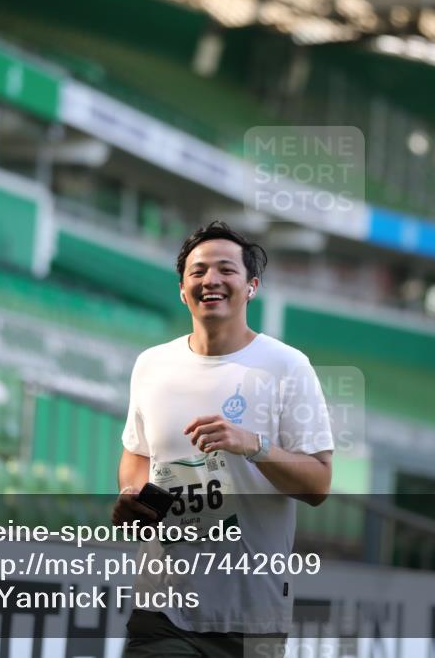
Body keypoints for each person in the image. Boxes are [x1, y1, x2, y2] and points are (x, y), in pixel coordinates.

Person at [112, 221, 334, 657]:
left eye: (226, 270)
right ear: (182, 289)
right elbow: (136, 453)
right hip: (161, 605)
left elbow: (319, 484)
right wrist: (131, 492)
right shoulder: (152, 365)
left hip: (251, 617)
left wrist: (253, 445)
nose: (210, 280)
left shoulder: (287, 367)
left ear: (251, 286)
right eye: (197, 272)